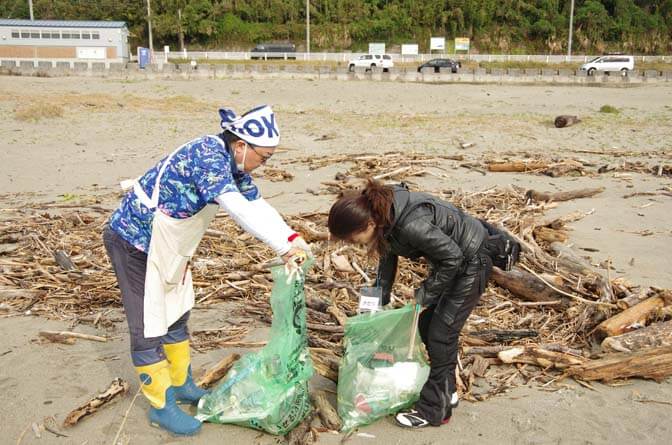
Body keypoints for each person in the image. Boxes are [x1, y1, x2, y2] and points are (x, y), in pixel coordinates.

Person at [103, 105, 311, 436]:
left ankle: (181, 383)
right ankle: (162, 406)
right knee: (148, 327)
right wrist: (283, 248)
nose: (265, 164)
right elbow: (236, 207)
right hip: (134, 242)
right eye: (265, 157)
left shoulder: (235, 165)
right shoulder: (208, 156)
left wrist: (292, 238)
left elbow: (258, 205)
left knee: (177, 314)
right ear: (241, 145)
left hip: (171, 248)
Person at [328, 180, 495, 429]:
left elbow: (453, 257)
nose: (355, 245)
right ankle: (446, 391)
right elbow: (386, 261)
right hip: (451, 263)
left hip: (471, 262)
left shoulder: (409, 224)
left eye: (354, 239)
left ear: (369, 224)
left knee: (441, 334)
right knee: (427, 326)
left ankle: (434, 411)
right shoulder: (385, 218)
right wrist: (375, 305)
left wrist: (423, 297)